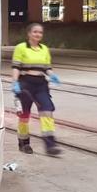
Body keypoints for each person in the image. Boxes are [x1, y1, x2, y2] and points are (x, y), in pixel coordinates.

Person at [11, 23, 61, 155]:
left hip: (41, 85)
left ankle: (50, 145)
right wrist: (15, 82)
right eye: (35, 32)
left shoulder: (44, 49)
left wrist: (52, 75)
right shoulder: (20, 48)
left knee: (47, 112)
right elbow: (16, 66)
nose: (38, 34)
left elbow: (47, 68)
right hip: (25, 84)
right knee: (24, 116)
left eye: (40, 32)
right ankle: (24, 143)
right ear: (29, 33)